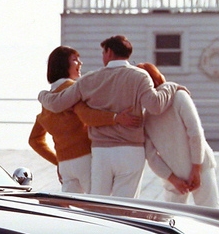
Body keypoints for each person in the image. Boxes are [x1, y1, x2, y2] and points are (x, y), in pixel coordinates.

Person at [38, 35, 179, 198]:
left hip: (101, 152)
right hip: (130, 150)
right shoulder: (140, 76)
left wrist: (41, 95)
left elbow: (57, 103)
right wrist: (170, 87)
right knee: (125, 206)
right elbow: (155, 105)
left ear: (109, 52)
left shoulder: (90, 79)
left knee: (98, 206)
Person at [29, 46, 141, 193]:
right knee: (97, 207)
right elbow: (87, 115)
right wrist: (116, 118)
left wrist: (58, 160)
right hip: (86, 159)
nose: (80, 63)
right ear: (63, 65)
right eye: (75, 59)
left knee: (71, 211)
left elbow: (34, 140)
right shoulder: (74, 90)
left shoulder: (47, 101)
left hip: (65, 166)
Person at [136, 63, 219, 207]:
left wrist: (173, 179)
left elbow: (151, 157)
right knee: (212, 214)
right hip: (201, 165)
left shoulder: (146, 117)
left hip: (173, 173)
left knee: (171, 219)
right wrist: (196, 168)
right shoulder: (180, 96)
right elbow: (195, 133)